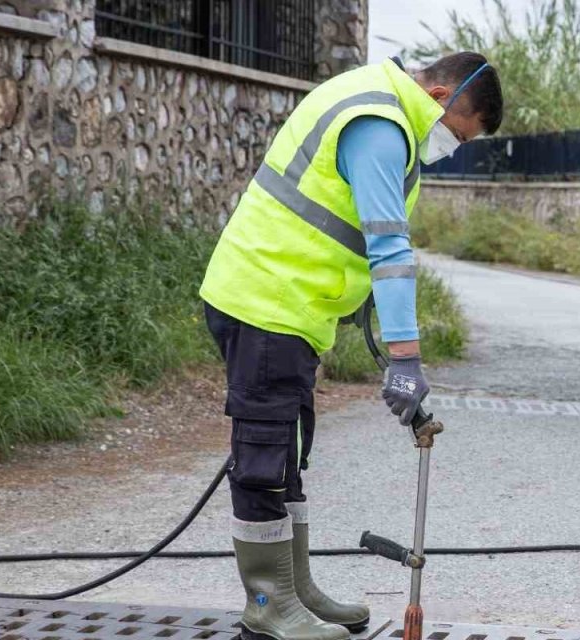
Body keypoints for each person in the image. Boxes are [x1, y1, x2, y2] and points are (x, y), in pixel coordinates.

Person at [198, 52, 503, 640]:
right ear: (439, 96)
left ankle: (295, 589)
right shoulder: (379, 127)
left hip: (291, 308)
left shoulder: (376, 103)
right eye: (456, 136)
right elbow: (389, 250)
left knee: (289, 448)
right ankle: (267, 604)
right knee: (263, 459)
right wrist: (406, 360)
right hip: (266, 301)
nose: (450, 148)